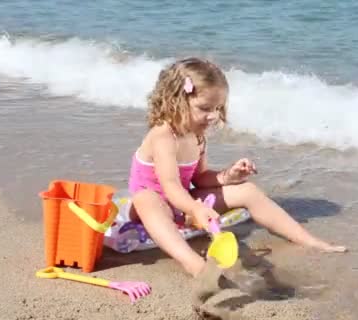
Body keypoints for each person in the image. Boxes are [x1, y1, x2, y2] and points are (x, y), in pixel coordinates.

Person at [127, 57, 346, 277]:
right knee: (146, 199)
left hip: (183, 204)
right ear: (175, 101)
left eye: (217, 108)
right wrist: (195, 208)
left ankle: (307, 240)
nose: (212, 116)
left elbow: (199, 178)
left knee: (248, 190)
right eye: (204, 108)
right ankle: (193, 263)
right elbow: (171, 186)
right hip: (155, 208)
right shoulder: (163, 136)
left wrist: (227, 176)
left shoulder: (197, 135)